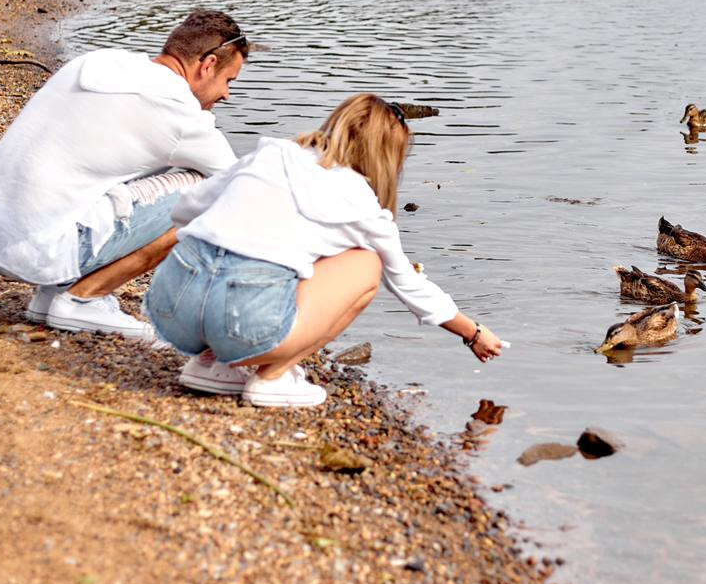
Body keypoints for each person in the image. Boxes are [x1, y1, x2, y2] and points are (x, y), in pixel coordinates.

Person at [146, 93, 503, 407]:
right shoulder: (362, 204)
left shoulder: (273, 153)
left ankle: (212, 362)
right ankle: (273, 378)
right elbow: (410, 287)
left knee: (265, 255)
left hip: (171, 309)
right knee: (366, 265)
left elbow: (187, 209)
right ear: (388, 156)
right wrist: (473, 333)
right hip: (242, 323)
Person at [0, 10, 253, 339]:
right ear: (208, 64)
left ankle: (53, 292)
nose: (227, 95)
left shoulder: (98, 62)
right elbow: (237, 187)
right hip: (34, 250)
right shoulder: (179, 112)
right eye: (229, 81)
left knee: (134, 165)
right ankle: (83, 299)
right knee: (206, 194)